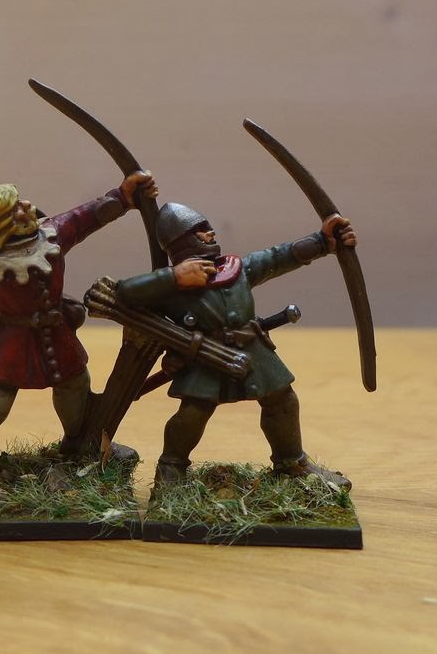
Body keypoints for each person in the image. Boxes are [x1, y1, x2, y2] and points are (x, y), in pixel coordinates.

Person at [0, 172, 157, 478]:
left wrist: (123, 197)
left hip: (56, 336)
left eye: (20, 202)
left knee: (74, 389)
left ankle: (77, 443)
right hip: (9, 342)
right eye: (13, 210)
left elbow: (86, 217)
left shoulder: (51, 236)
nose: (26, 208)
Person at [115, 201, 355, 489]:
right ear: (182, 240)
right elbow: (124, 293)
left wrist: (323, 241)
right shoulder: (172, 285)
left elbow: (276, 257)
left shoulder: (236, 269)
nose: (211, 233)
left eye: (207, 227)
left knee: (282, 400)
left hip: (252, 350)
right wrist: (173, 277)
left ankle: (292, 464)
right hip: (204, 356)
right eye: (201, 230)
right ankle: (171, 470)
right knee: (193, 413)